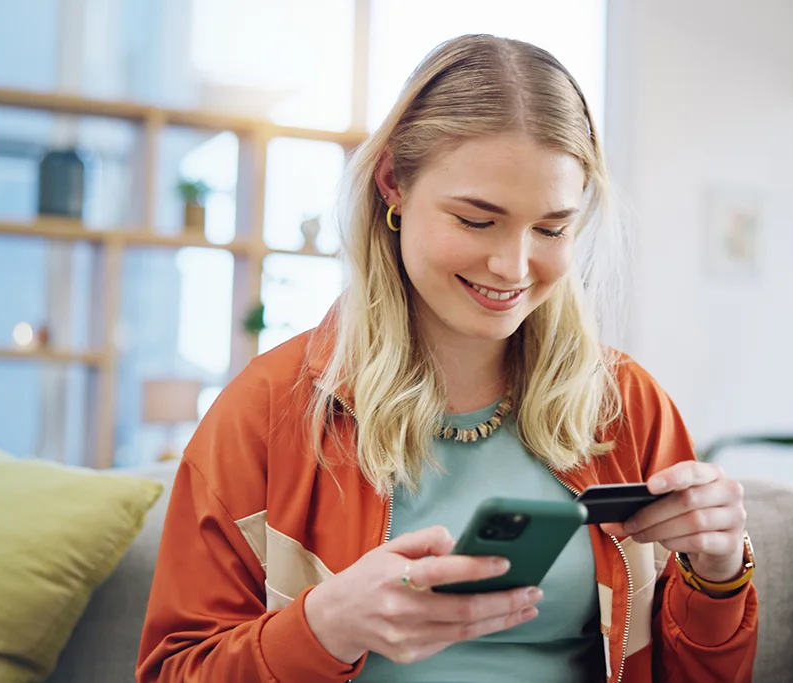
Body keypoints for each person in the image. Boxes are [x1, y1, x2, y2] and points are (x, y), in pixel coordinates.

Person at [136, 35, 758, 682]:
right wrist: (325, 625)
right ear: (392, 184)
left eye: (551, 228)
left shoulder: (626, 404)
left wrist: (717, 573)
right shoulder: (266, 412)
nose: (514, 268)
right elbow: (174, 671)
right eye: (476, 220)